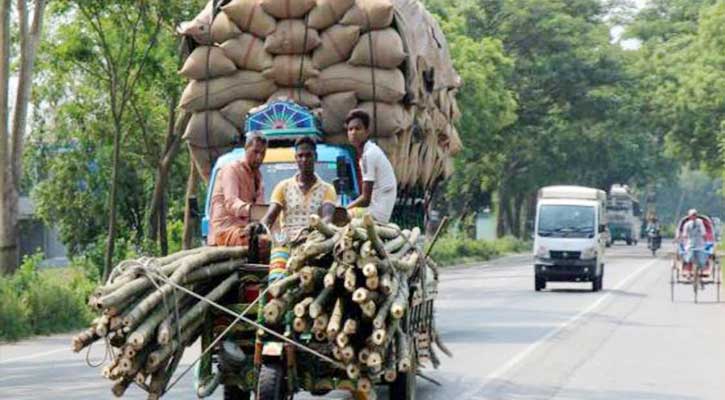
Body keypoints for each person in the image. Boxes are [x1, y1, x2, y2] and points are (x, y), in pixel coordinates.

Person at [261, 136, 338, 242]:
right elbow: (269, 218)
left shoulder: (328, 189)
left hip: (315, 243)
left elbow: (327, 219)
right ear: (295, 158)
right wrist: (260, 229)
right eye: (300, 156)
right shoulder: (283, 187)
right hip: (287, 244)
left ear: (315, 157)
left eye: (308, 155)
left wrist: (309, 234)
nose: (304, 160)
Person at [208, 131, 267, 246]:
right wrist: (252, 210)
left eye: (262, 153)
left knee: (272, 242)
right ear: (246, 148)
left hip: (246, 229)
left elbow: (261, 209)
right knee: (255, 243)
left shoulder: (258, 177)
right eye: (255, 152)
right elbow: (231, 202)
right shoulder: (231, 169)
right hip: (225, 231)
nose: (259, 157)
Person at [344, 109, 397, 223]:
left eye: (358, 128)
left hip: (376, 213)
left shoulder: (369, 155)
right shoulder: (367, 153)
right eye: (350, 129)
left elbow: (365, 199)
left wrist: (344, 209)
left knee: (340, 217)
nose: (353, 132)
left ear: (367, 132)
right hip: (377, 210)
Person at [681, 209, 708, 278]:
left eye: (694, 215)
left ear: (696, 216)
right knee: (689, 258)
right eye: (692, 215)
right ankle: (688, 272)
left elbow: (703, 233)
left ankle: (701, 270)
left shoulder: (700, 223)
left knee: (702, 259)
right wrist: (684, 240)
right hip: (690, 244)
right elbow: (684, 235)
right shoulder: (687, 224)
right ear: (689, 216)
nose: (693, 216)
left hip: (700, 244)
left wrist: (706, 241)